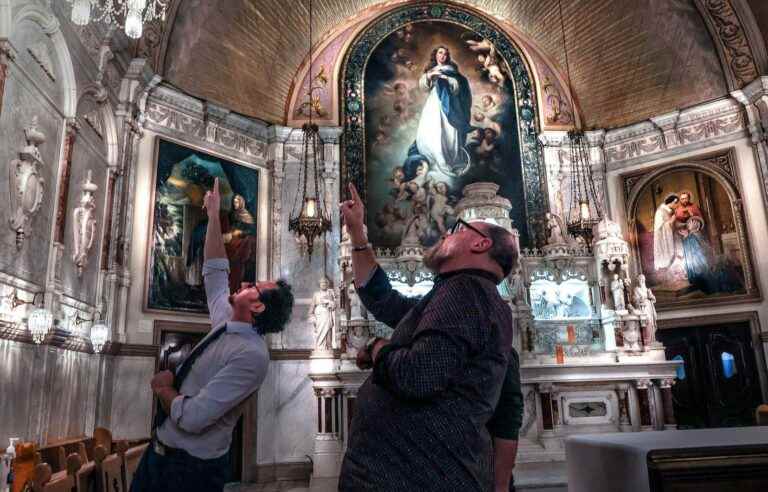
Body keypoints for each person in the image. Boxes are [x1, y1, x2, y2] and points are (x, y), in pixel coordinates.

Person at [338, 183, 521, 491]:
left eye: (457, 228)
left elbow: (418, 375)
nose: (446, 233)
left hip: (412, 477)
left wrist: (377, 348)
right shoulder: (460, 296)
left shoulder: (467, 291)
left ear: (480, 245)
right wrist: (358, 235)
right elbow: (383, 299)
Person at [130, 178, 294, 492]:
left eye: (252, 287)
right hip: (159, 455)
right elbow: (216, 270)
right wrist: (214, 215)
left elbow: (193, 418)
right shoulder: (225, 319)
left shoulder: (252, 356)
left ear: (257, 306)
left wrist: (164, 389)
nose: (244, 284)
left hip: (191, 472)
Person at [404, 45, 473, 178]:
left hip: (449, 103)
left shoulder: (451, 70)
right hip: (434, 101)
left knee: (448, 129)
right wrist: (430, 75)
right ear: (435, 55)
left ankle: (448, 160)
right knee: (432, 129)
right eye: (440, 53)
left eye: (445, 54)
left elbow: (459, 86)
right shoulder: (432, 70)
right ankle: (436, 159)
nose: (443, 56)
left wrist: (447, 79)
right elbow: (423, 87)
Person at [652, 194, 680, 271]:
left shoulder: (670, 211)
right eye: (676, 203)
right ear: (672, 202)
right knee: (668, 256)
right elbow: (660, 227)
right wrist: (672, 220)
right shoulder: (660, 211)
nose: (677, 206)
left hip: (671, 235)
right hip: (663, 238)